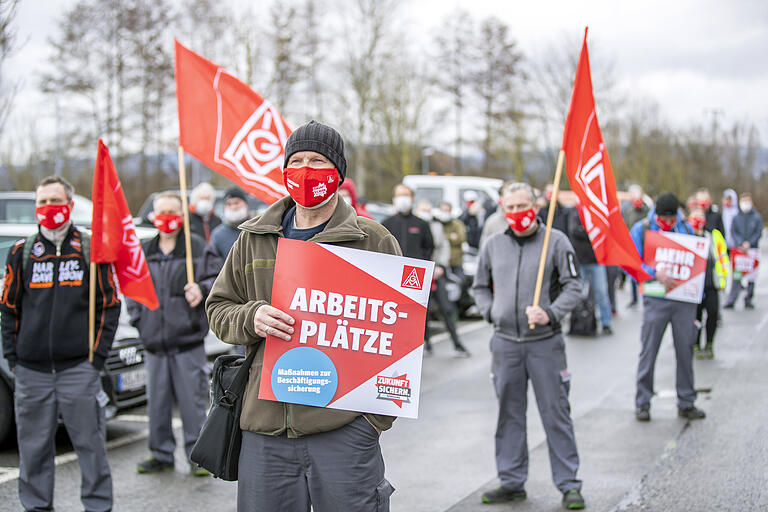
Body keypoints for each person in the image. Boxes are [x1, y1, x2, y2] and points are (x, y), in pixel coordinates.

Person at [206, 120, 399, 511]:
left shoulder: (373, 240)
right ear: (284, 171)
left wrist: (371, 422)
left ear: (338, 173)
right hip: (264, 428)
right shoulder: (254, 237)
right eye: (297, 160)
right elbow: (218, 309)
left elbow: (401, 334)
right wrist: (252, 317)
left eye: (317, 160)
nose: (306, 170)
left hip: (343, 428)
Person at [0, 176, 120, 512]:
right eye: (42, 202)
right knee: (34, 448)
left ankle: (98, 506)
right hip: (31, 373)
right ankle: (37, 506)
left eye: (55, 201)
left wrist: (95, 360)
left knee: (91, 446)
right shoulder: (21, 253)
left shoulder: (90, 249)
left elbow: (110, 306)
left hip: (78, 370)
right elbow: (8, 309)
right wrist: (15, 360)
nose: (48, 208)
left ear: (69, 204)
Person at [472, 183, 585, 510]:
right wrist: (492, 312)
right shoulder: (493, 244)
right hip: (505, 344)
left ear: (535, 206)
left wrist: (551, 313)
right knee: (509, 415)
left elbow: (573, 285)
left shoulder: (556, 242)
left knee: (556, 413)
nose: (517, 213)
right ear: (503, 210)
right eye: (511, 208)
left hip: (544, 345)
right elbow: (480, 287)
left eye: (523, 206)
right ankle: (511, 480)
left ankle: (569, 484)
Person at [128, 191, 221, 476]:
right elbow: (132, 288)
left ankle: (196, 456)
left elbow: (217, 280)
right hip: (154, 341)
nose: (166, 217)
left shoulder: (196, 247)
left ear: (182, 216)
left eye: (172, 211)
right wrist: (139, 320)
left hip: (187, 341)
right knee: (156, 403)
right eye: (161, 212)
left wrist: (202, 290)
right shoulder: (144, 250)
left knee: (192, 402)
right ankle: (160, 453)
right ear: (154, 216)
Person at [630, 193, 706, 422]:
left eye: (672, 219)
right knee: (649, 351)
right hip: (656, 299)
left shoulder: (686, 229)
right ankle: (642, 402)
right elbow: (632, 263)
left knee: (685, 350)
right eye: (665, 219)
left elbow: (697, 262)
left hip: (683, 300)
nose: (668, 224)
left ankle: (686, 401)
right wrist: (654, 273)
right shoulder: (642, 229)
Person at [414, 200, 470, 356]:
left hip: (435, 273)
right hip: (418, 275)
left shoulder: (436, 227)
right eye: (423, 209)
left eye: (428, 209)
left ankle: (457, 343)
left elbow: (443, 247)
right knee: (422, 313)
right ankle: (426, 344)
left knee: (446, 309)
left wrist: (440, 267)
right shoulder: (415, 226)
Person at [566, 205, 613, 335]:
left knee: (601, 292)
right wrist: (591, 233)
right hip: (580, 260)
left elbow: (603, 231)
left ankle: (606, 322)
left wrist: (587, 231)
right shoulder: (575, 212)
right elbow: (574, 231)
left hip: (596, 260)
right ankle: (576, 321)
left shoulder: (598, 213)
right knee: (577, 292)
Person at [688, 207, 727, 359]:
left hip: (711, 283)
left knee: (712, 313)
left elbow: (722, 259)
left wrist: (723, 281)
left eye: (700, 217)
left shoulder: (713, 236)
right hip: (693, 286)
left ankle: (709, 343)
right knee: (695, 316)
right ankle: (695, 344)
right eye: (695, 217)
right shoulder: (685, 237)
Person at [724, 193, 762, 309]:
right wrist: (741, 243)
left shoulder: (757, 217)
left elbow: (758, 232)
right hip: (739, 251)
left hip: (752, 250)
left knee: (751, 277)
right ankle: (732, 299)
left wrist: (749, 243)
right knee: (736, 276)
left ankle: (748, 299)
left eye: (747, 201)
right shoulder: (736, 217)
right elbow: (733, 232)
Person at [382, 184, 434, 261]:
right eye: (399, 195)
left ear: (412, 198)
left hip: (414, 269)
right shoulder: (387, 223)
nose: (403, 198)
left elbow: (429, 247)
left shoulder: (422, 224)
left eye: (406, 195)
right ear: (394, 199)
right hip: (392, 267)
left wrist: (422, 261)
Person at [622, 185, 649, 307]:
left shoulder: (646, 210)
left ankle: (644, 294)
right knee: (633, 270)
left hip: (644, 243)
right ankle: (634, 297)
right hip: (630, 243)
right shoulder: (628, 210)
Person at [210, 186, 251, 259]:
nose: (233, 207)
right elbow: (213, 265)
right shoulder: (218, 235)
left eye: (236, 203)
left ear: (246, 204)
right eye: (229, 204)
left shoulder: (256, 230)